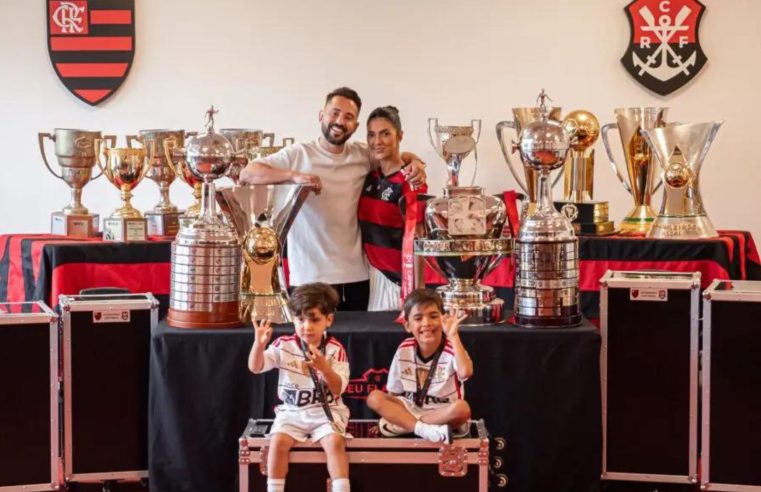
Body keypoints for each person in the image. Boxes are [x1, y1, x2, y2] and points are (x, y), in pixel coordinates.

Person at [238, 87, 426, 311]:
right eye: (334, 113)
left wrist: (415, 161)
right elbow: (247, 174)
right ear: (321, 116)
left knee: (354, 345)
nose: (339, 121)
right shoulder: (298, 155)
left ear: (355, 126)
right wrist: (293, 177)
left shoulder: (362, 155)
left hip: (356, 277)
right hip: (308, 278)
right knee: (309, 344)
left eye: (348, 117)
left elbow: (391, 155)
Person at [248, 283, 351, 492]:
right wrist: (259, 345)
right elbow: (255, 367)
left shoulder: (335, 349)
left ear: (328, 320)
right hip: (292, 412)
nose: (307, 326)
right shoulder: (283, 345)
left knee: (335, 443)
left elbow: (339, 388)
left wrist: (324, 368)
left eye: (314, 319)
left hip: (326, 413)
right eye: (301, 319)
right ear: (293, 319)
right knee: (276, 444)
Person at [366, 289, 473, 443]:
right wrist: (388, 413)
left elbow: (466, 372)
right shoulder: (404, 348)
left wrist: (453, 336)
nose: (426, 323)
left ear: (443, 319)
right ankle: (425, 429)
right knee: (374, 397)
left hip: (442, 412)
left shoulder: (452, 347)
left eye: (433, 316)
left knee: (462, 409)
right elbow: (393, 393)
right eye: (418, 318)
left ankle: (405, 426)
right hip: (410, 408)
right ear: (407, 325)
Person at [358, 106, 428, 311]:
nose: (377, 141)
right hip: (370, 276)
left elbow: (418, 235)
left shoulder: (411, 180)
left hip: (397, 282)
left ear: (400, 135)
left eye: (385, 134)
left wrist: (418, 288)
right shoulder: (371, 176)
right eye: (371, 134)